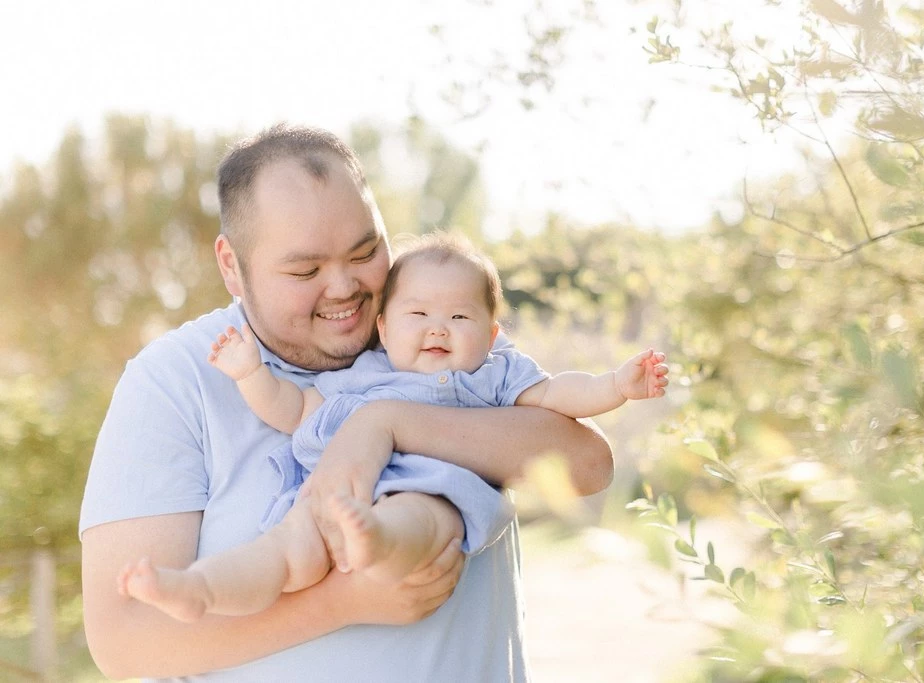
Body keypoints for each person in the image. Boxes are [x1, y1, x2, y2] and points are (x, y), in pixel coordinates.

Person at [79, 124, 614, 682]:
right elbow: (123, 641)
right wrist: (341, 602)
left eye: (365, 252)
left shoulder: (427, 330)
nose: (344, 289)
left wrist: (386, 424)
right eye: (305, 270)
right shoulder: (174, 381)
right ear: (232, 265)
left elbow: (588, 464)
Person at [116, 232, 669, 622]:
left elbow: (557, 396)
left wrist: (616, 385)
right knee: (283, 555)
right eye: (418, 315)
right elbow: (295, 410)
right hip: (328, 498)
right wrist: (248, 374)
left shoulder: (493, 376)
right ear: (382, 326)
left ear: (491, 332)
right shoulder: (361, 377)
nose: (438, 329)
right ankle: (199, 590)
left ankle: (374, 541)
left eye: (459, 317)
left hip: (431, 493)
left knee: (417, 521)